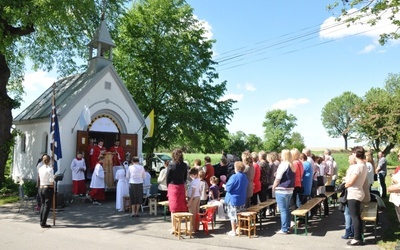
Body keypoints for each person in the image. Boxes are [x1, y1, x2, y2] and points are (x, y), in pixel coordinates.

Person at [345, 146, 368, 246]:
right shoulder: (363, 165)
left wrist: (344, 184)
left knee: (355, 216)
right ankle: (358, 236)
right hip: (358, 191)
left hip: (354, 192)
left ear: (355, 154)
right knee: (356, 216)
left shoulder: (359, 166)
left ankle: (357, 238)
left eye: (352, 153)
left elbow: (351, 181)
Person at [272, 149, 296, 234]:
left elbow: (278, 178)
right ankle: (287, 226)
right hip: (290, 190)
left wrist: (274, 186)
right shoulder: (292, 165)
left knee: (283, 210)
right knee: (286, 209)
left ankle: (284, 228)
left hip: (282, 189)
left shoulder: (283, 164)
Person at [166, 148, 188, 232]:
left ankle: (174, 228)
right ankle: (178, 226)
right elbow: (185, 177)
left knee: (173, 208)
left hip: (173, 186)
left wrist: (168, 186)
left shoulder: (171, 164)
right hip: (181, 186)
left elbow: (167, 177)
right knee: (180, 207)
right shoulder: (184, 165)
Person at [224, 161, 248, 236]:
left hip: (233, 199)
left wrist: (224, 186)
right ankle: (239, 228)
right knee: (239, 214)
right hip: (241, 198)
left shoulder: (234, 177)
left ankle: (233, 230)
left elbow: (228, 188)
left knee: (233, 215)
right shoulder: (244, 176)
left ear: (236, 168)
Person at [38, 154, 54, 228]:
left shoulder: (40, 168)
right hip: (48, 187)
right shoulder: (50, 169)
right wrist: (54, 177)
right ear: (49, 160)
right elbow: (51, 181)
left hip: (41, 187)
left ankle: (41, 221)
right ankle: (43, 222)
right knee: (47, 206)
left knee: (43, 205)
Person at [187, 168, 201, 233]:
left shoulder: (194, 181)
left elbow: (193, 191)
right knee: (197, 212)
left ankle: (192, 228)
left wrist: (190, 201)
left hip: (193, 198)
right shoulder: (199, 180)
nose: (191, 176)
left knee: (192, 213)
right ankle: (196, 227)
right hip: (198, 197)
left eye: (192, 175)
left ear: (195, 175)